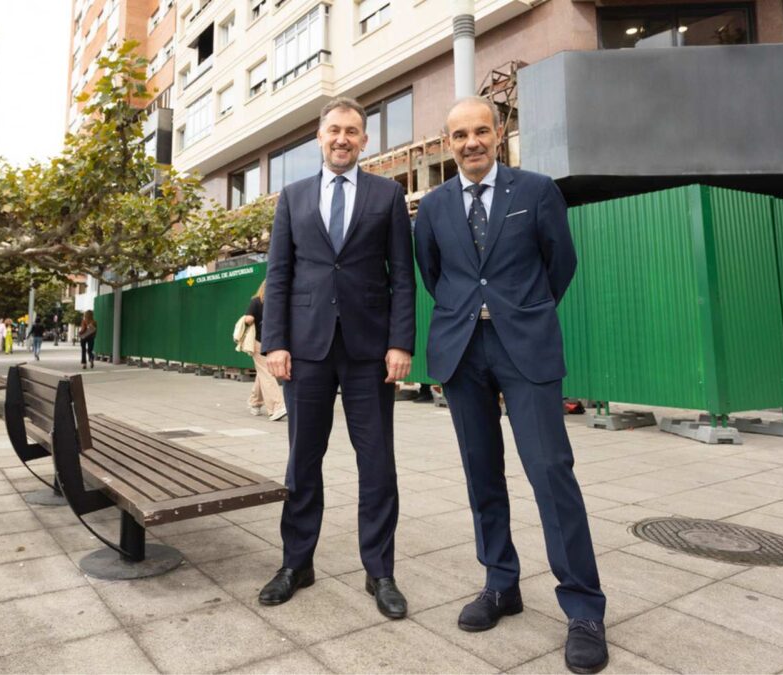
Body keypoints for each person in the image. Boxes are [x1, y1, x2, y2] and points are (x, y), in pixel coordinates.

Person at [413, 97, 607, 674]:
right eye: (459, 135)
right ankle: (501, 583)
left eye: (480, 131)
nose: (471, 142)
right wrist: (469, 314)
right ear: (447, 144)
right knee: (482, 473)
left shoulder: (537, 191)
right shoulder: (433, 206)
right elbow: (434, 274)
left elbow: (560, 264)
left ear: (498, 134)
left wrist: (521, 311)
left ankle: (583, 608)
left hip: (525, 346)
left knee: (550, 471)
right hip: (462, 349)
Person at [258, 98, 415, 619]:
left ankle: (380, 572)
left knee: (377, 464)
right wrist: (275, 342)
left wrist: (401, 343)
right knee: (302, 461)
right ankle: (296, 564)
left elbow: (402, 276)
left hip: (370, 351)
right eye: (333, 130)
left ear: (364, 140)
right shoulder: (293, 197)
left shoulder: (388, 195)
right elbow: (279, 274)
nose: (342, 138)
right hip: (306, 350)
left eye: (351, 131)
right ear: (319, 137)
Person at [244, 281, 287, 421]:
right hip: (267, 343)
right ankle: (277, 407)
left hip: (262, 341)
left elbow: (248, 319)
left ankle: (254, 402)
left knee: (263, 373)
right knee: (267, 373)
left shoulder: (256, 301)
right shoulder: (274, 302)